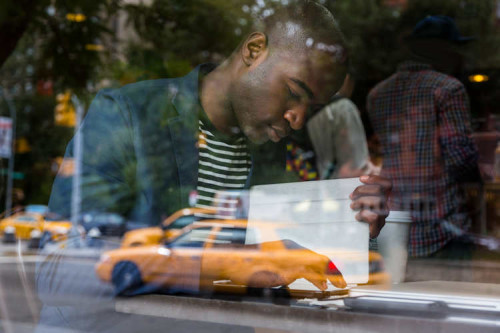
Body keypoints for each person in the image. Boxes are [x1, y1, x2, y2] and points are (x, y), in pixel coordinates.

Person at [37, 1, 391, 332]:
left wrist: (357, 229)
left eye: (310, 107)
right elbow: (61, 276)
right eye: (294, 92)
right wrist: (234, 263)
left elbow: (306, 271)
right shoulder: (128, 115)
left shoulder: (278, 153)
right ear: (254, 51)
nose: (297, 119)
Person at [367, 15, 479, 258]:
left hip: (396, 227)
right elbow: (461, 157)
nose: (459, 55)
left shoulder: (378, 94)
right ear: (440, 49)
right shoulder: (448, 89)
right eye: (455, 48)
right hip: (441, 228)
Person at [307, 72, 375, 179]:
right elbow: (357, 156)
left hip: (326, 181)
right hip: (349, 181)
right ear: (347, 79)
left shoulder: (313, 113)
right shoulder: (344, 107)